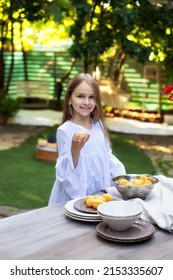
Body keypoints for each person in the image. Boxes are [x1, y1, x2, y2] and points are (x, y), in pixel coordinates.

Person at [48, 73, 126, 205]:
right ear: (69, 99)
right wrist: (75, 150)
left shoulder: (99, 125)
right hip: (74, 197)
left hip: (99, 193)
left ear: (96, 101)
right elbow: (65, 173)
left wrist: (121, 180)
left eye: (91, 97)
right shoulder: (65, 131)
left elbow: (107, 157)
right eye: (80, 96)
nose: (86, 102)